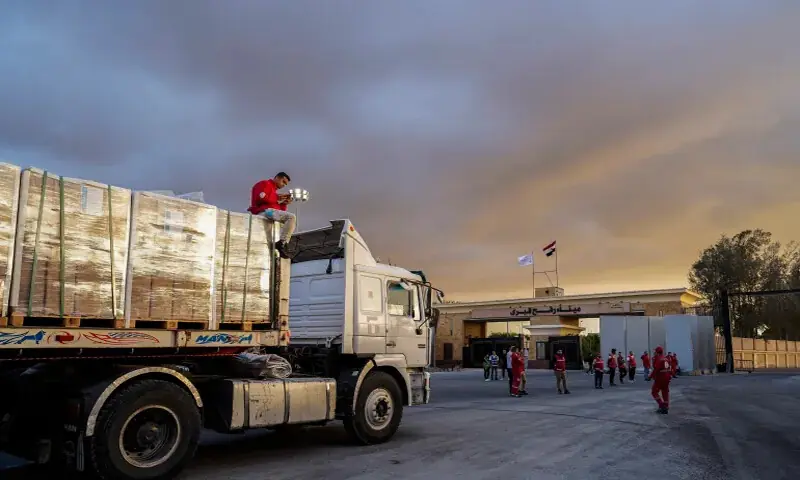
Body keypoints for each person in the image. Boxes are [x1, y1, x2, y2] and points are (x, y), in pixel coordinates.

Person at [248, 172, 295, 258]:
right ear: (277, 177)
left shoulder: (274, 192)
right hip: (264, 211)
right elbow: (260, 198)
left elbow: (279, 211)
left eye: (285, 184)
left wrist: (284, 203)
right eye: (283, 181)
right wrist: (277, 198)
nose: (284, 185)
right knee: (291, 217)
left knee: (288, 220)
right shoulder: (265, 183)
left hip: (269, 212)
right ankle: (282, 243)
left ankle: (282, 243)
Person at [650, 346, 673, 414]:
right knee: (665, 392)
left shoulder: (659, 359)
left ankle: (662, 406)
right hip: (667, 377)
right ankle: (666, 406)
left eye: (655, 351)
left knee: (654, 392)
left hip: (660, 377)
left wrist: (650, 377)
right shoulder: (666, 358)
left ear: (657, 352)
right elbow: (670, 369)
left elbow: (656, 369)